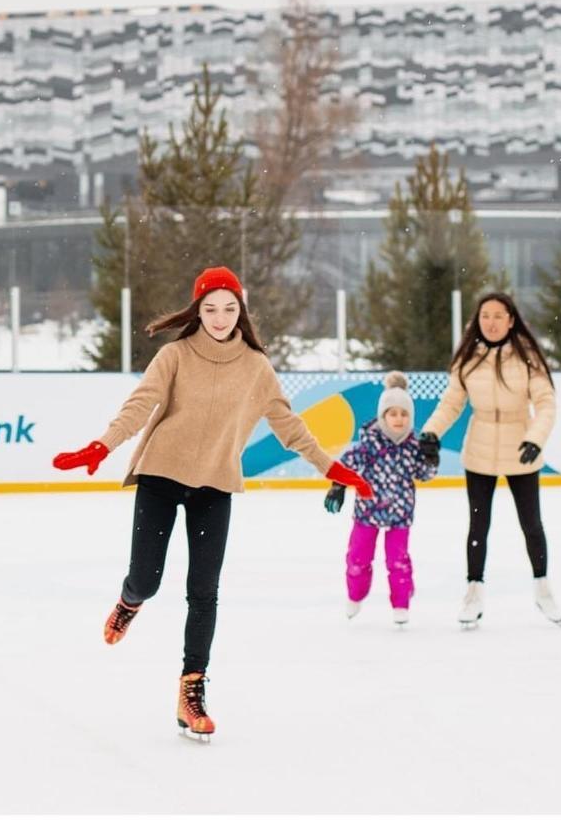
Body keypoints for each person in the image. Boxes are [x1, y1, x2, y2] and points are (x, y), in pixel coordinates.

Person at [52, 266, 373, 741]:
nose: (220, 317)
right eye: (210, 308)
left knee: (204, 591)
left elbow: (289, 427)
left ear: (240, 311)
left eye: (229, 308)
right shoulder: (175, 356)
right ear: (197, 311)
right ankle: (128, 600)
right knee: (147, 579)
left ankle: (191, 690)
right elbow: (139, 405)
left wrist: (329, 466)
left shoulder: (256, 367)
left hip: (214, 485)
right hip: (162, 474)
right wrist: (103, 445)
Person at [418, 292, 561, 627]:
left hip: (519, 446)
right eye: (486, 315)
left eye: (499, 316)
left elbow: (546, 403)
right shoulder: (468, 358)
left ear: (511, 320)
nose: (492, 322)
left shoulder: (528, 357)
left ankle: (543, 588)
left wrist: (535, 438)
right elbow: (451, 403)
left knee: (532, 525)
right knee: (478, 526)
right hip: (480, 449)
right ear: (477, 319)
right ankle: (473, 592)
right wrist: (431, 432)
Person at [324, 371, 437, 626]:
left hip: (400, 514)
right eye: (392, 413)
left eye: (404, 414)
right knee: (358, 558)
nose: (398, 419)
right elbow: (347, 466)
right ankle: (356, 595)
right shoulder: (369, 444)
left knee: (398, 561)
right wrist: (338, 486)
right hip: (368, 511)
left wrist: (431, 459)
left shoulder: (413, 446)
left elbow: (424, 474)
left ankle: (401, 603)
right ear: (382, 416)